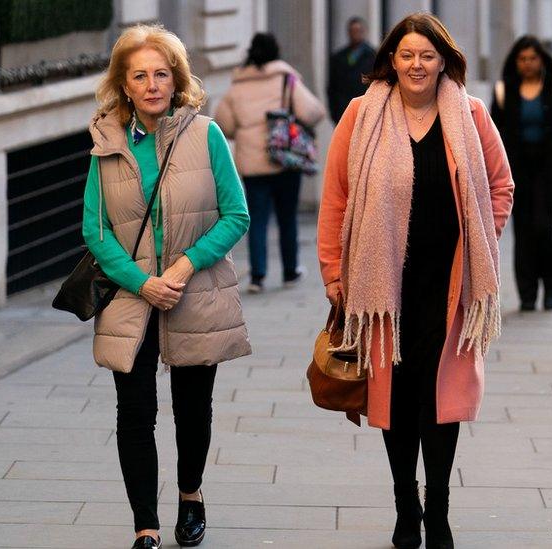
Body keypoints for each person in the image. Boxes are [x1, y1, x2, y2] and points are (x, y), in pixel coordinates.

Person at [317, 13, 513, 549]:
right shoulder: (362, 115)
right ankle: (407, 504)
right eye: (407, 55)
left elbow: (501, 185)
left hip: (449, 285)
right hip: (383, 287)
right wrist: (334, 271)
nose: (417, 65)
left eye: (428, 56)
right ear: (391, 61)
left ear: (444, 61)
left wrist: (481, 242)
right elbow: (335, 198)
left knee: (440, 399)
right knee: (397, 400)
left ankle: (439, 509)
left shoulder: (470, 115)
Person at [82, 24, 252, 549]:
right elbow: (95, 228)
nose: (152, 84)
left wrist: (180, 269)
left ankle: (190, 494)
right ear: (124, 85)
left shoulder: (206, 135)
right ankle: (145, 525)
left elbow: (235, 214)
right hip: (133, 295)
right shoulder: (106, 142)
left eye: (162, 73)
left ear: (176, 80)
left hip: (193, 291)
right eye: (140, 76)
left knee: (192, 407)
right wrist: (141, 281)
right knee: (134, 411)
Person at [215, 33, 325, 293]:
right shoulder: (287, 80)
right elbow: (313, 112)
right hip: (285, 160)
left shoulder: (237, 86)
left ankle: (257, 276)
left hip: (252, 164)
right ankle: (290, 271)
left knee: (256, 220)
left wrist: (247, 131)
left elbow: (224, 125)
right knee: (288, 218)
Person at [490, 35, 552, 312]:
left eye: (533, 58)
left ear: (541, 60)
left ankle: (550, 285)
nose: (528, 64)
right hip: (516, 169)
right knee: (522, 232)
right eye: (523, 59)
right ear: (516, 61)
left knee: (543, 227)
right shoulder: (504, 90)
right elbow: (493, 134)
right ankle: (527, 292)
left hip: (547, 169)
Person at [327, 16, 377, 123]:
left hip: (365, 111)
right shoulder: (338, 57)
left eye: (358, 31)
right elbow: (332, 87)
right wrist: (334, 112)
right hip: (343, 110)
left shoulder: (374, 56)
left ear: (364, 32)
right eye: (353, 31)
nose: (355, 34)